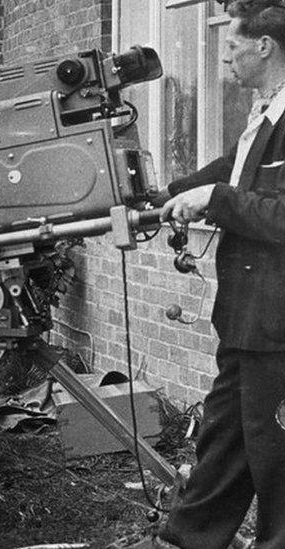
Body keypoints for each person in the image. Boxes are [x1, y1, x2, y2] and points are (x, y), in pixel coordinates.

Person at [153, 1, 285, 547]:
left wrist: (217, 199)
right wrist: (159, 196)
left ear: (265, 46)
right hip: (247, 318)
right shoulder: (266, 112)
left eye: (230, 46)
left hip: (276, 322)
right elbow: (226, 172)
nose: (224, 57)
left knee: (275, 452)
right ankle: (188, 538)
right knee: (225, 437)